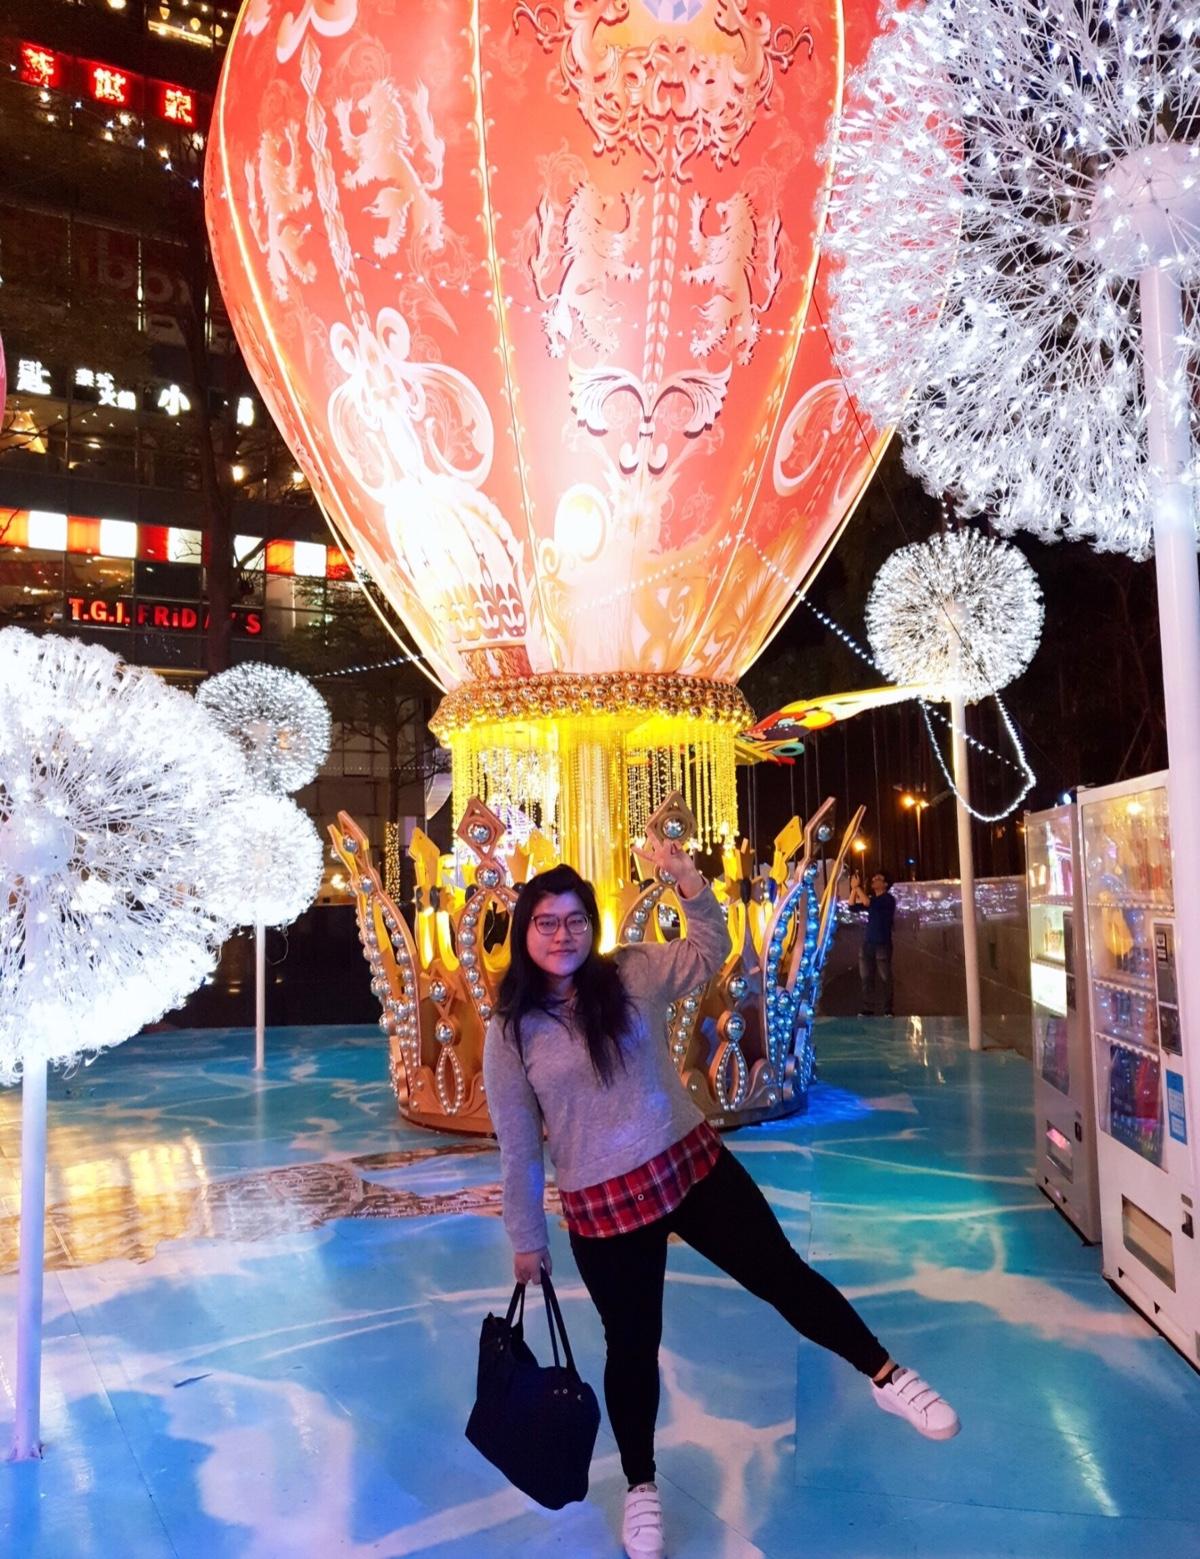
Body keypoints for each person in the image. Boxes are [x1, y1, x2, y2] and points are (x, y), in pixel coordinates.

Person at [483, 842, 957, 1559]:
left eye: (576, 919)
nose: (562, 934)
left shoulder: (630, 972)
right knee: (632, 1348)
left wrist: (686, 879)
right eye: (546, 922)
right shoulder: (510, 1030)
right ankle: (641, 1484)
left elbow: (710, 948)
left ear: (592, 924)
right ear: (525, 930)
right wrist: (526, 1237)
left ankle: (886, 1375)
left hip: (689, 1164)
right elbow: (519, 1144)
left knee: (781, 1273)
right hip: (603, 1206)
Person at [849, 868, 897, 1017]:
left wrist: (857, 887)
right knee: (866, 978)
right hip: (868, 943)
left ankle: (887, 1009)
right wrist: (853, 889)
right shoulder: (873, 900)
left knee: (885, 977)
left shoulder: (887, 899)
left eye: (878, 879)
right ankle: (867, 1008)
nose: (874, 880)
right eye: (874, 878)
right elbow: (852, 906)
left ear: (886, 884)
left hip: (882, 944)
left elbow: (867, 902)